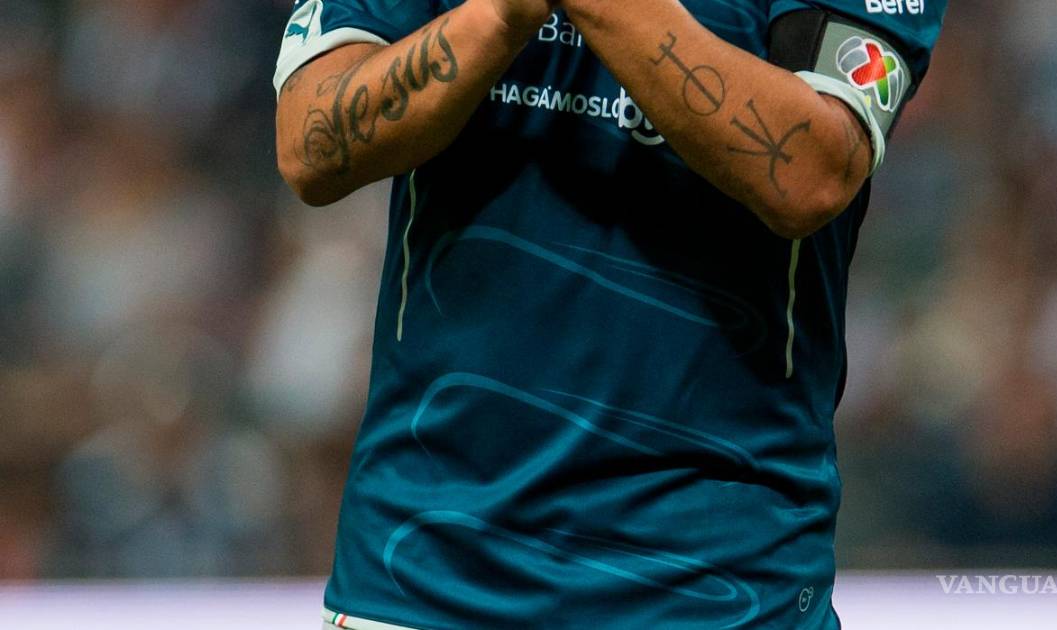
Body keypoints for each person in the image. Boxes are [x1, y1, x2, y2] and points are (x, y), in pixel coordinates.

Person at [274, 0, 946, 627]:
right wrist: (499, 16)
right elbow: (309, 143)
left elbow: (813, 170)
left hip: (718, 587)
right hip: (423, 575)